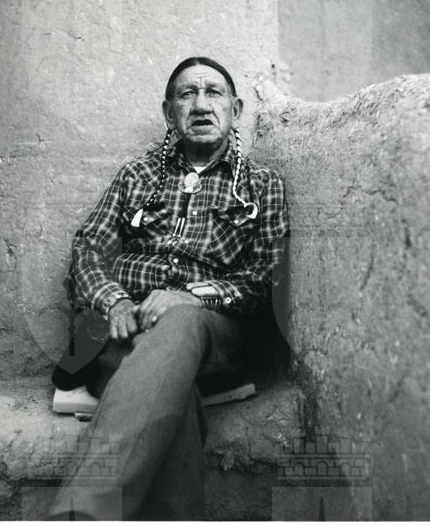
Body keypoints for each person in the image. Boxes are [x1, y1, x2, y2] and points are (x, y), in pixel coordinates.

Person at [47, 56, 289, 520]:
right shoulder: (136, 176)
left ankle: (80, 516)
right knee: (168, 395)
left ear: (236, 109)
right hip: (122, 327)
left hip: (209, 331)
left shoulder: (262, 186)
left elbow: (265, 277)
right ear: (168, 112)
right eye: (186, 94)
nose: (200, 105)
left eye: (213, 93)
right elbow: (89, 248)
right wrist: (115, 301)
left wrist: (190, 297)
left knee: (178, 323)